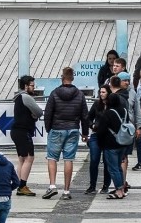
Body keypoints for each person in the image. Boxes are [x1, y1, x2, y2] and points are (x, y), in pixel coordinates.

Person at [42, 67, 88, 200]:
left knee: (52, 158)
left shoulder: (54, 93)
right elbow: (84, 116)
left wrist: (48, 128)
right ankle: (67, 191)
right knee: (68, 159)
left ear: (62, 77)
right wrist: (84, 133)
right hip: (73, 129)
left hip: (56, 128)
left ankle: (52, 186)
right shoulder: (79, 94)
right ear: (73, 78)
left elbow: (48, 113)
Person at [10, 76, 42, 197]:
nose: (34, 88)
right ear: (25, 86)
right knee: (29, 157)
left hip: (17, 131)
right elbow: (39, 112)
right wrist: (34, 115)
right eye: (32, 85)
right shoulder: (26, 97)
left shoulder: (18, 97)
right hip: (23, 131)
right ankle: (22, 186)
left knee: (22, 159)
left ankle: (19, 183)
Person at [85, 86, 112, 195]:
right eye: (100, 92)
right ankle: (92, 185)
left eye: (104, 92)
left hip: (108, 136)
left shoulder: (111, 105)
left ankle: (106, 185)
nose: (101, 94)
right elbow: (89, 117)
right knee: (94, 160)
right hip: (96, 135)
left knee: (107, 161)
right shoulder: (97, 104)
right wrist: (92, 126)